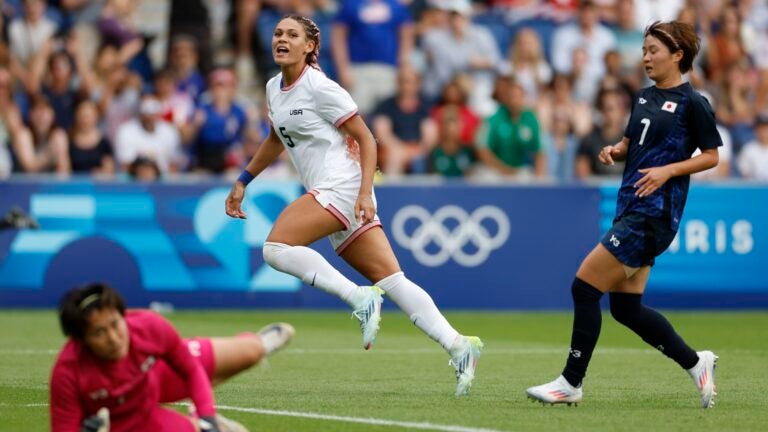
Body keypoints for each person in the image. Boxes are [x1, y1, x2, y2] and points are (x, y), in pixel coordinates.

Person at [225, 14, 483, 396]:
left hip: (343, 186)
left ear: (310, 46)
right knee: (393, 280)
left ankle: (358, 298)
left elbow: (367, 138)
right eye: (278, 33)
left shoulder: (320, 88)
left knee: (276, 248)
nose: (281, 39)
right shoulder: (273, 88)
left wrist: (364, 192)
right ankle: (459, 345)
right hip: (333, 189)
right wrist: (243, 180)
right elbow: (276, 139)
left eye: (292, 35)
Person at [526, 21, 721, 408]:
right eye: (644, 50)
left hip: (654, 214)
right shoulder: (644, 96)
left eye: (654, 50)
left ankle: (571, 382)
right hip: (630, 206)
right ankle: (696, 361)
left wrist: (669, 170)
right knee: (626, 309)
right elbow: (634, 140)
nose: (646, 57)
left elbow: (713, 156)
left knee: (584, 287)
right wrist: (616, 149)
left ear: (677, 55)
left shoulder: (693, 103)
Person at [50, 282, 295, 432]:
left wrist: (207, 414)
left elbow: (190, 370)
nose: (114, 338)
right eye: (99, 333)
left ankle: (257, 344)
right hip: (133, 422)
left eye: (115, 324)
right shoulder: (67, 373)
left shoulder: (148, 326)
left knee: (250, 353)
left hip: (159, 374)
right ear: (81, 340)